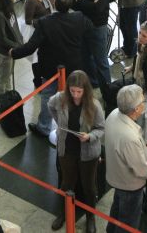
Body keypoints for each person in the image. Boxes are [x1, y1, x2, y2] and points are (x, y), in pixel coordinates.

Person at [48, 70, 105, 232]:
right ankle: (64, 213)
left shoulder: (94, 105)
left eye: (79, 91)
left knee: (89, 186)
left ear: (85, 90)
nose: (75, 95)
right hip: (67, 149)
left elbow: (101, 128)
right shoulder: (60, 98)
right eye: (72, 91)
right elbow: (50, 105)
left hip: (88, 152)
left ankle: (90, 217)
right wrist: (59, 123)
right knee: (66, 183)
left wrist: (90, 136)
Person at [105, 84, 147, 232]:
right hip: (130, 185)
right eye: (143, 101)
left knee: (116, 212)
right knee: (128, 223)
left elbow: (139, 145)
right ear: (136, 109)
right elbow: (140, 168)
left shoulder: (114, 114)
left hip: (117, 178)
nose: (145, 102)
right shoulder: (129, 137)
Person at [71, 0, 112, 90]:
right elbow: (72, 1)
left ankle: (107, 88)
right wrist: (90, 3)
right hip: (82, 25)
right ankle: (93, 83)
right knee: (85, 57)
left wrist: (80, 0)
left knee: (101, 60)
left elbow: (99, 9)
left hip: (97, 26)